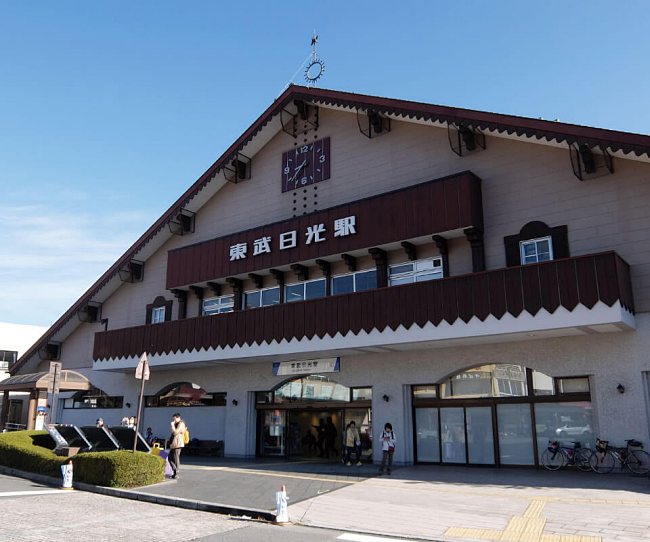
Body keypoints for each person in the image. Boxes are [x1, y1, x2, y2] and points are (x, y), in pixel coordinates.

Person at [168, 413, 186, 479]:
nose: (173, 420)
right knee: (169, 457)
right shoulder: (177, 424)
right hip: (174, 444)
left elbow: (175, 432)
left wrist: (172, 425)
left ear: (178, 418)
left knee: (175, 458)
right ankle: (175, 470)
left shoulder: (181, 424)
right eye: (173, 419)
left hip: (178, 443)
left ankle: (176, 472)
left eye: (174, 419)